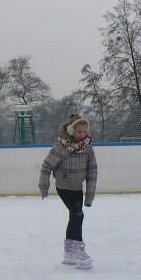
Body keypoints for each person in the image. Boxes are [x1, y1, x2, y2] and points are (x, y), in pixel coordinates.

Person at [39, 113, 98, 269]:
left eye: (85, 131)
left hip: (77, 187)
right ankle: (79, 251)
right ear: (72, 131)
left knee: (75, 215)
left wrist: (90, 195)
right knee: (78, 213)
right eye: (79, 131)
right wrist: (44, 187)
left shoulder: (88, 148)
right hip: (64, 187)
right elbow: (46, 167)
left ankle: (69, 252)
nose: (82, 134)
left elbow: (92, 171)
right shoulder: (60, 148)